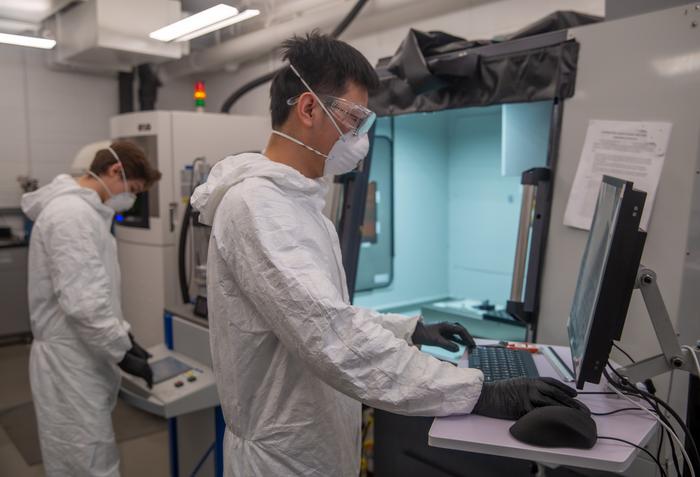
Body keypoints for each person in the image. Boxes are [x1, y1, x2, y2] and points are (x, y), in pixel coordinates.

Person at [191, 32, 583, 476]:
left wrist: (409, 329)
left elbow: (324, 313)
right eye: (356, 118)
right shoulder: (259, 207)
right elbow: (330, 335)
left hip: (311, 443)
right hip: (284, 459)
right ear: (307, 109)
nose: (360, 136)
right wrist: (477, 391)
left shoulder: (297, 202)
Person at [21, 140, 161, 476]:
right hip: (69, 359)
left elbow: (96, 291)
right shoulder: (71, 216)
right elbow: (85, 305)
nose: (133, 198)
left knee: (86, 453)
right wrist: (121, 350)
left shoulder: (85, 214)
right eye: (135, 189)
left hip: (80, 351)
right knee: (86, 460)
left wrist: (125, 338)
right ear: (115, 171)